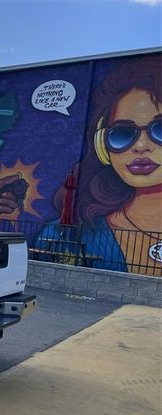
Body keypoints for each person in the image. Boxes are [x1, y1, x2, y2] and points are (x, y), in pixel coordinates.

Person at [44, 55, 161, 274]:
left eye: (160, 129)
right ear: (101, 145)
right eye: (123, 133)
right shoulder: (61, 233)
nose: (141, 146)